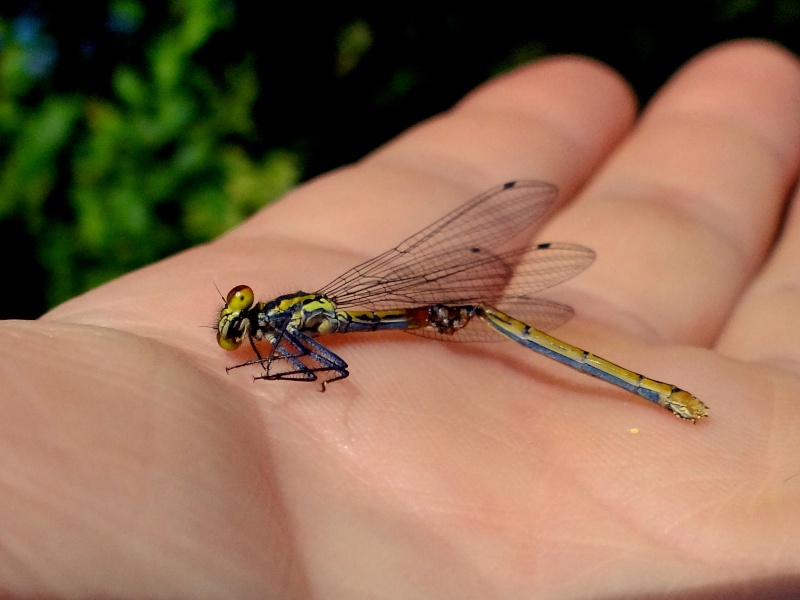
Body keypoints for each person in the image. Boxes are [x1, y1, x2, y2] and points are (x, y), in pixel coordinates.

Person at [3, 39, 800, 597]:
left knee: (511, 335)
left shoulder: (288, 330)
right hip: (431, 304)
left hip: (446, 303)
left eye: (246, 324)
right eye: (247, 325)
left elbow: (330, 366)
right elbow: (323, 358)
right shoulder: (291, 324)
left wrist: (277, 368)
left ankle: (658, 393)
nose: (247, 330)